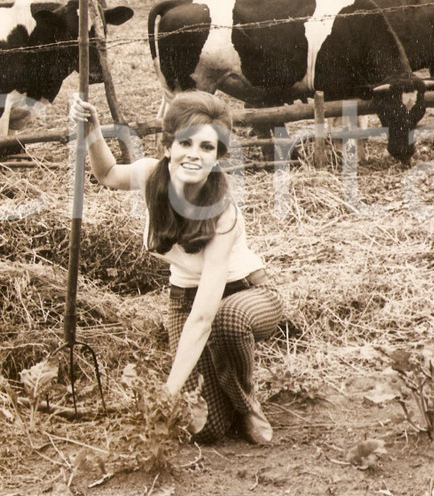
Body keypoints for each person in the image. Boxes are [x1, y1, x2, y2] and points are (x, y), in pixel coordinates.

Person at [70, 90, 284, 444]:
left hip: (248, 293)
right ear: (168, 146)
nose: (194, 155)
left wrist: (168, 393)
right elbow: (107, 174)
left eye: (207, 148)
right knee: (207, 429)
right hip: (184, 296)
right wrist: (92, 130)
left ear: (218, 157)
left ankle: (247, 405)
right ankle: (225, 397)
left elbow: (204, 319)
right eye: (186, 143)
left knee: (225, 323)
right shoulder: (150, 176)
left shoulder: (222, 215)